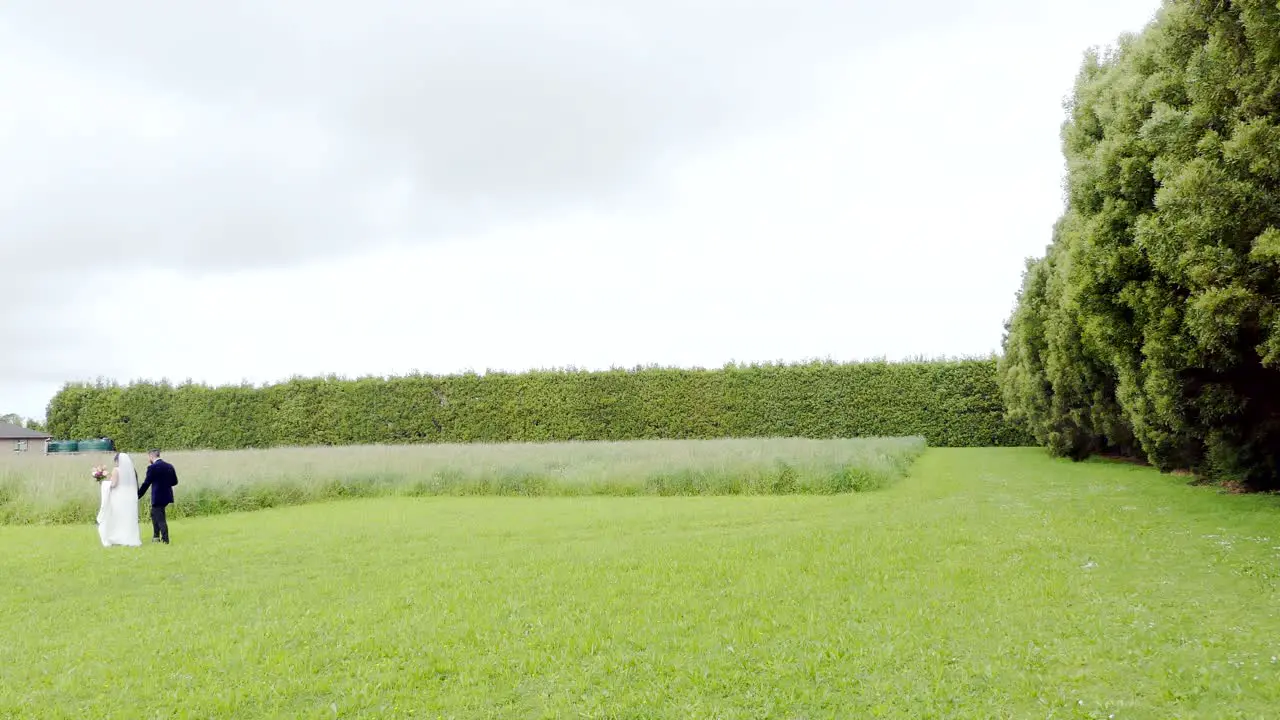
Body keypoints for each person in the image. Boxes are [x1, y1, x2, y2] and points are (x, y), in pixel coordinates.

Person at [97, 452, 142, 547]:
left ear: (117, 460)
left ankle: (117, 537)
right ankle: (129, 537)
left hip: (118, 497)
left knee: (117, 517)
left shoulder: (116, 470)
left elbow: (113, 484)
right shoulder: (131, 471)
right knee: (127, 517)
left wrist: (104, 483)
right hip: (129, 498)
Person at [138, 448, 178, 544]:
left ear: (151, 456)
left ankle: (165, 539)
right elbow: (175, 482)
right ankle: (156, 537)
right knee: (154, 514)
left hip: (157, 496)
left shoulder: (152, 468)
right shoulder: (169, 466)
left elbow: (146, 483)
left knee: (160, 518)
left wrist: (138, 495)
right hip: (167, 495)